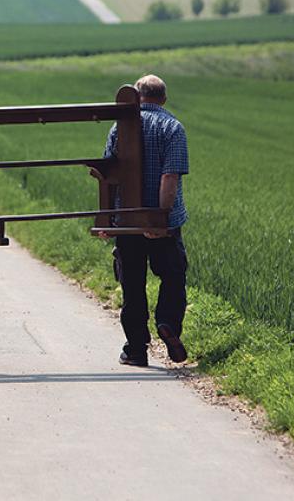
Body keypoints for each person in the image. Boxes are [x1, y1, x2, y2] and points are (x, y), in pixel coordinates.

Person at [99, 75, 189, 367]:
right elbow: (169, 177)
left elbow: (108, 175)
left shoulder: (120, 127)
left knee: (132, 283)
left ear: (137, 98)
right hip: (163, 222)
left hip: (127, 220)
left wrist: (107, 220)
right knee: (173, 275)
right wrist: (159, 219)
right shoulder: (173, 127)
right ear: (164, 99)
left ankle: (136, 349)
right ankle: (168, 323)